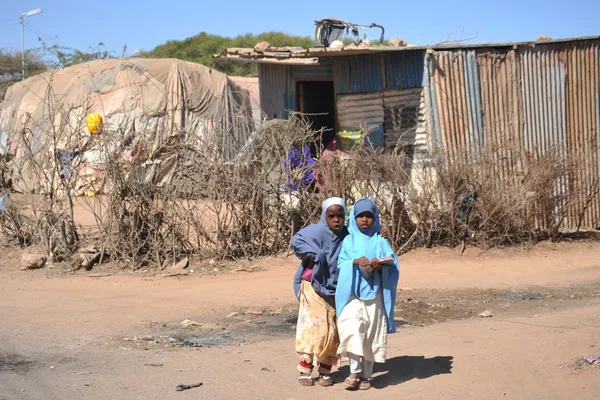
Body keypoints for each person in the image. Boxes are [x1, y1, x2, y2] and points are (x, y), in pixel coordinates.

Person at [335, 198, 400, 390]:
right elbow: (341, 263)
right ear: (354, 218)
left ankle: (366, 375)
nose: (365, 220)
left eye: (369, 216)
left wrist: (379, 265)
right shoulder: (348, 240)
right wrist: (354, 261)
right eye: (360, 216)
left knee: (372, 334)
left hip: (375, 294)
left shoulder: (380, 242)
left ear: (375, 218)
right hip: (352, 293)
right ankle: (354, 370)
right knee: (352, 328)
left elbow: (393, 264)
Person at [291, 197, 348, 387]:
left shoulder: (347, 236)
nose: (336, 220)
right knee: (316, 329)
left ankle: (325, 371)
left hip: (336, 288)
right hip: (313, 286)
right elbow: (297, 240)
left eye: (340, 215)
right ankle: (305, 369)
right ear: (325, 216)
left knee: (333, 331)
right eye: (331, 216)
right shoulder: (314, 231)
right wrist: (314, 253)